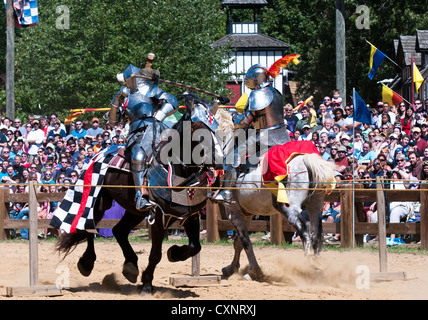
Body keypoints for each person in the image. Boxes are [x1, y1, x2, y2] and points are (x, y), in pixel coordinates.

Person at [108, 54, 179, 210]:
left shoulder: (150, 90)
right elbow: (113, 122)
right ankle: (141, 196)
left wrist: (158, 116)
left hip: (158, 129)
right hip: (137, 134)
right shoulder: (123, 96)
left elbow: (173, 101)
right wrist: (116, 101)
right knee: (139, 156)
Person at [215, 62, 286, 203]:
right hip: (283, 136)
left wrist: (234, 121)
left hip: (264, 137)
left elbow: (245, 122)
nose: (247, 82)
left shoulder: (258, 94)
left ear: (257, 78)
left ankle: (227, 193)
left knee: (230, 159)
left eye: (249, 79)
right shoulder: (276, 92)